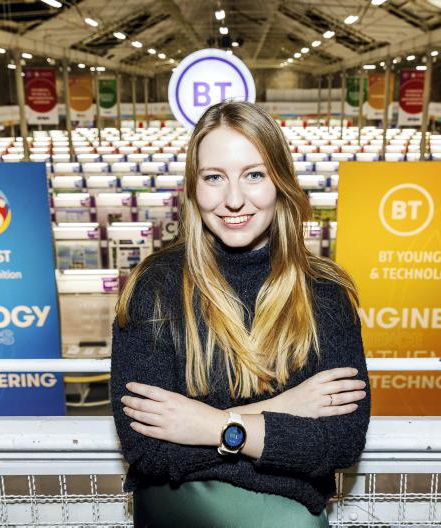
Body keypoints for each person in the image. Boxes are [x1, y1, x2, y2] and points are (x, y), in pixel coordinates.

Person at [110, 100, 370, 527]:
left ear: (280, 182)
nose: (234, 200)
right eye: (214, 177)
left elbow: (340, 443)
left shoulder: (325, 292)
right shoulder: (155, 288)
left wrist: (210, 424)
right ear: (193, 187)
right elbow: (147, 450)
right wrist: (284, 409)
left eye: (254, 175)